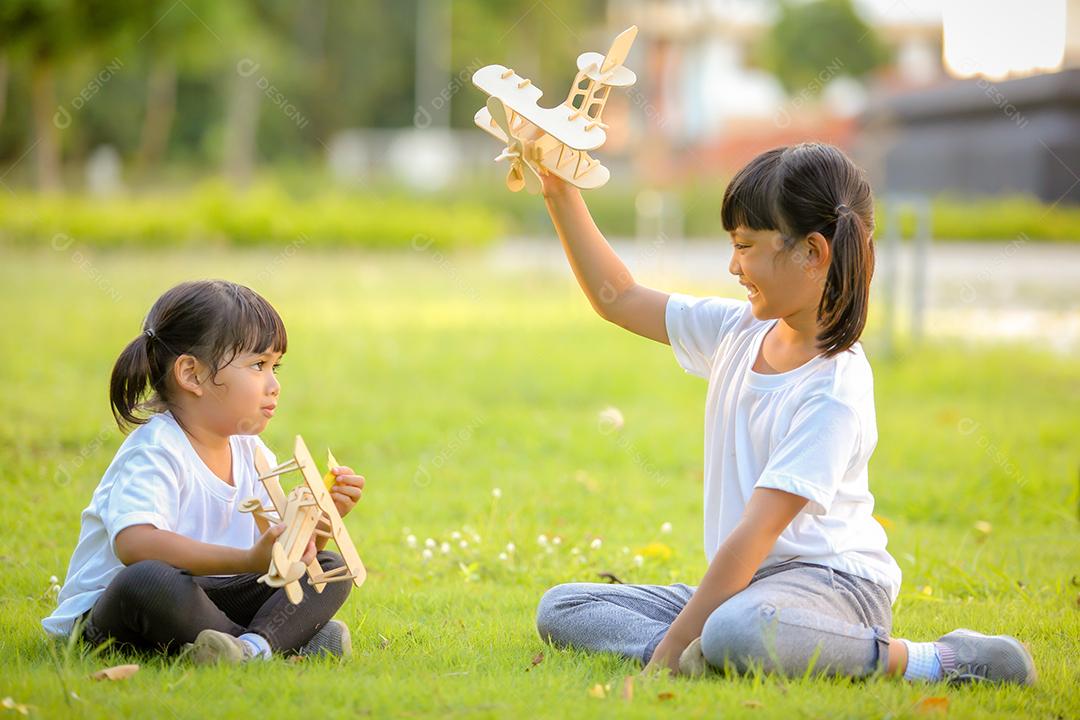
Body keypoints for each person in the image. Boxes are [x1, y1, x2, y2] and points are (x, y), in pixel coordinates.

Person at [533, 143, 1035, 684]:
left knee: (740, 632)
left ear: (812, 253)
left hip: (834, 588)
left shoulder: (832, 389)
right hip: (750, 589)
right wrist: (560, 191)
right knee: (563, 607)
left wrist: (665, 659)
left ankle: (935, 660)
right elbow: (621, 297)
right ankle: (708, 646)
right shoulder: (738, 329)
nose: (732, 265)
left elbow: (754, 534)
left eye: (745, 246)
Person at [42, 280, 365, 664]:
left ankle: (252, 648)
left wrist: (316, 525)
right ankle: (275, 644)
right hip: (117, 616)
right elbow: (135, 545)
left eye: (275, 366)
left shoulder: (251, 452)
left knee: (332, 569)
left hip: (209, 603)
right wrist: (247, 560)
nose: (274, 385)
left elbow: (277, 558)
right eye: (258, 365)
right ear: (192, 375)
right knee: (147, 579)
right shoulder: (156, 450)